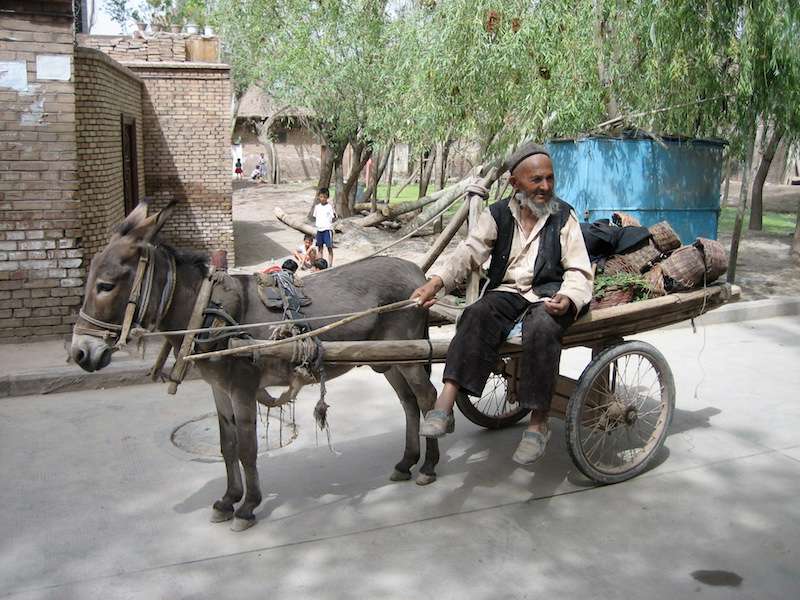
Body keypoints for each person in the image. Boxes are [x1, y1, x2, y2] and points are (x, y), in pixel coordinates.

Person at [411, 142, 593, 466]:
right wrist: (437, 282)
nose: (545, 187)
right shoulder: (497, 214)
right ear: (514, 183)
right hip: (507, 292)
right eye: (536, 180)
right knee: (475, 314)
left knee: (541, 328)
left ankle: (538, 425)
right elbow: (469, 252)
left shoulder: (564, 215)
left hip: (547, 294)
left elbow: (579, 268)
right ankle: (445, 405)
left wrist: (569, 297)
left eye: (550, 179)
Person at [312, 188, 336, 266]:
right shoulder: (317, 207)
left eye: (324, 197)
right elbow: (315, 217)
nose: (322, 199)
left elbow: (333, 217)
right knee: (320, 248)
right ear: (319, 197)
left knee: (329, 248)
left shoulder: (329, 207)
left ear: (327, 197)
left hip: (327, 230)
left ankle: (330, 265)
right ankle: (320, 265)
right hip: (319, 230)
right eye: (321, 197)